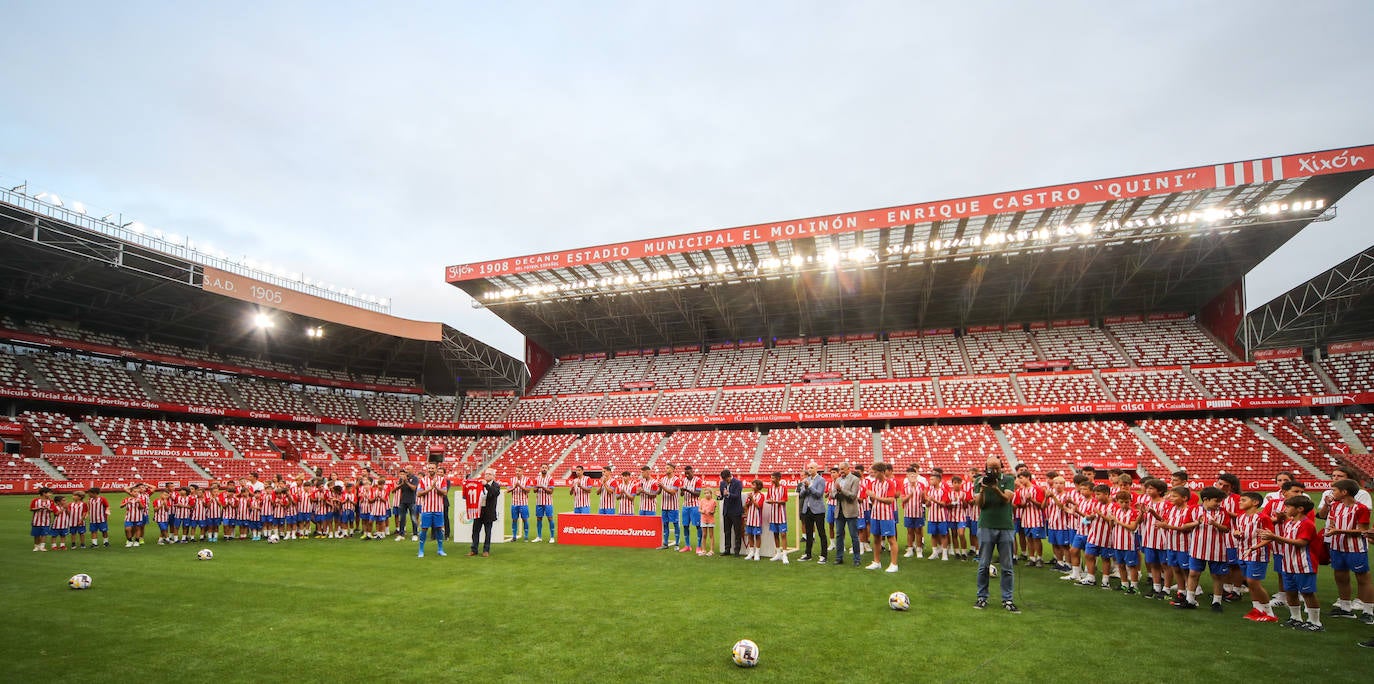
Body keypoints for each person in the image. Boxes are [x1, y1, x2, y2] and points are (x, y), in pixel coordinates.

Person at [1259, 495, 1323, 631]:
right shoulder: (1290, 523)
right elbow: (1286, 540)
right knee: (1290, 591)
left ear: (1300, 509)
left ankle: (1315, 622)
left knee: (1307, 593)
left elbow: (1302, 542)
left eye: (1288, 507)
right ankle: (1296, 618)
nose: (1285, 509)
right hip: (1288, 563)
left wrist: (1274, 537)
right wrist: (1270, 536)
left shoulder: (1307, 524)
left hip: (1303, 564)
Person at [1323, 479, 1373, 624]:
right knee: (1340, 576)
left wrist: (1337, 530)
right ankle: (1345, 609)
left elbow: (1362, 531)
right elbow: (1332, 523)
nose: (1332, 493)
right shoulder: (1335, 506)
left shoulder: (1361, 508)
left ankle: (1369, 611)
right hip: (1337, 547)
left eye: (1334, 490)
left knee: (1363, 578)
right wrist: (1331, 529)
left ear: (1344, 492)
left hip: (1355, 548)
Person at [973, 456, 1018, 613]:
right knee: (983, 564)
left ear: (1002, 467)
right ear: (986, 467)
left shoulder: (1008, 479)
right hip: (986, 525)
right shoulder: (980, 480)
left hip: (1005, 526)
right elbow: (979, 504)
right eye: (991, 468)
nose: (994, 471)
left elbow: (1007, 499)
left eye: (996, 467)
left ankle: (1007, 599)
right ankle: (982, 597)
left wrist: (996, 488)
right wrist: (984, 489)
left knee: (1007, 566)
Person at [1231, 491, 1279, 622]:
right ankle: (1257, 609)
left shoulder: (1262, 518)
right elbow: (1239, 532)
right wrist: (1236, 534)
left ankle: (1270, 612)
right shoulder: (1240, 517)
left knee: (1253, 582)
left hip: (1257, 554)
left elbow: (1270, 537)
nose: (1240, 502)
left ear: (1255, 502)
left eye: (1243, 500)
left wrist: (1255, 547)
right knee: (1250, 583)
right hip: (1242, 553)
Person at [866, 463, 899, 573]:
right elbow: (871, 497)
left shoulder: (889, 483)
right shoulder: (873, 483)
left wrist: (875, 497)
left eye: (875, 472)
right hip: (875, 514)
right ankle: (876, 562)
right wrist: (871, 496)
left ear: (881, 472)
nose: (873, 474)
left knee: (891, 539)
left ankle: (894, 564)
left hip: (886, 515)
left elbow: (890, 500)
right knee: (876, 538)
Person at [797, 460, 828, 563]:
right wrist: (805, 487)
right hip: (807, 509)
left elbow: (819, 494)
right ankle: (808, 554)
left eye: (812, 468)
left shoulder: (821, 480)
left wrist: (809, 486)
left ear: (816, 469)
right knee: (809, 533)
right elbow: (801, 494)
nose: (809, 470)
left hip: (818, 510)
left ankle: (824, 555)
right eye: (809, 468)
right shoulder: (806, 479)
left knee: (821, 533)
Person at [832, 461, 861, 567]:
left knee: (854, 536)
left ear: (848, 469)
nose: (841, 471)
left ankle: (857, 558)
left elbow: (853, 496)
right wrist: (836, 493)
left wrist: (841, 490)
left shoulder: (855, 479)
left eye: (843, 469)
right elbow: (833, 493)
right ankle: (839, 557)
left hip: (850, 511)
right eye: (840, 469)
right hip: (839, 510)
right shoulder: (838, 479)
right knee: (839, 535)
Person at [416, 463, 448, 558]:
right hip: (426, 509)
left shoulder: (442, 480)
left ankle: (440, 549)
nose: (430, 469)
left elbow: (445, 492)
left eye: (432, 468)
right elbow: (418, 493)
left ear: (436, 469)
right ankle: (421, 550)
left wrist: (436, 487)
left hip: (438, 509)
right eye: (429, 468)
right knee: (424, 529)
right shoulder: (423, 480)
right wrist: (430, 489)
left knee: (439, 529)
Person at [469, 468, 501, 557]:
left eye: (489, 474)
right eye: (486, 474)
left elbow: (493, 493)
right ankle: (474, 549)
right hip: (479, 511)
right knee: (475, 531)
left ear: (493, 476)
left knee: (488, 532)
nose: (487, 475)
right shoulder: (479, 484)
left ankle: (486, 550)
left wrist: (486, 485)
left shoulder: (496, 485)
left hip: (489, 512)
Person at [899, 465, 926, 559]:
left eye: (914, 475)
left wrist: (924, 497)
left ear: (917, 475)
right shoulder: (905, 486)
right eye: (910, 475)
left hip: (918, 512)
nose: (912, 477)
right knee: (909, 531)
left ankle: (919, 550)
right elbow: (902, 499)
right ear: (907, 476)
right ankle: (910, 549)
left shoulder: (921, 486)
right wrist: (909, 495)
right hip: (908, 512)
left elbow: (924, 500)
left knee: (918, 531)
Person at [764, 471, 791, 564]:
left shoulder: (783, 488)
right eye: (771, 478)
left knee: (783, 534)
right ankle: (778, 553)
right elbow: (767, 499)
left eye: (773, 478)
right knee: (775, 534)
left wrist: (774, 501)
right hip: (773, 515)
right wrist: (769, 501)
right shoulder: (770, 488)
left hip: (781, 515)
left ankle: (785, 555)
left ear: (779, 478)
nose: (771, 480)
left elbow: (784, 500)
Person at [718, 469, 744, 557]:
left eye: (726, 479)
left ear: (730, 476)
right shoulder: (722, 483)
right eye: (724, 480)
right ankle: (727, 549)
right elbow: (722, 496)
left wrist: (728, 494)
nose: (725, 481)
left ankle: (737, 551)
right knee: (727, 531)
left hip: (736, 511)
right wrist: (719, 496)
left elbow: (737, 495)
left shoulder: (738, 483)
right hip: (726, 511)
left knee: (737, 532)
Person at [658, 463, 682, 549]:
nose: (666, 469)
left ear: (672, 469)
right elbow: (658, 492)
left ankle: (677, 544)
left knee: (675, 524)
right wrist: (659, 488)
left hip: (673, 507)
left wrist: (662, 486)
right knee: (665, 524)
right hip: (664, 506)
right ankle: (665, 544)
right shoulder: (663, 479)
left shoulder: (676, 480)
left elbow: (673, 492)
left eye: (668, 468)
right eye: (665, 468)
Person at [679, 465, 702, 554]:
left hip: (695, 506)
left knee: (698, 526)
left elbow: (698, 494)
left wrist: (687, 490)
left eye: (688, 473)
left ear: (692, 472)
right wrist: (682, 491)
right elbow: (681, 494)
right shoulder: (684, 480)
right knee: (685, 525)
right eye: (685, 473)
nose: (687, 475)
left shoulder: (698, 480)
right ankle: (687, 546)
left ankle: (699, 546)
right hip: (685, 506)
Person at [394, 466, 419, 542]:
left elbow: (414, 488)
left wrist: (407, 482)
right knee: (402, 518)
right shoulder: (402, 478)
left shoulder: (415, 478)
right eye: (406, 469)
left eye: (408, 469)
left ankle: (415, 534)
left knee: (413, 518)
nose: (406, 471)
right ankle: (401, 534)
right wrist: (402, 482)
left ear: (412, 470)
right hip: (403, 501)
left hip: (411, 501)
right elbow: (396, 488)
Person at [533, 463, 556, 543]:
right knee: (539, 518)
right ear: (540, 469)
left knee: (550, 518)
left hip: (548, 502)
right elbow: (534, 490)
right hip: (539, 502)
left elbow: (551, 491)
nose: (544, 469)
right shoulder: (537, 478)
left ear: (548, 469)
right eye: (542, 467)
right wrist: (537, 487)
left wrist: (542, 487)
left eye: (545, 468)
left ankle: (552, 537)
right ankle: (539, 537)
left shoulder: (550, 479)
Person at [743, 479, 765, 561]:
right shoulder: (750, 494)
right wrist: (748, 502)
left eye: (754, 485)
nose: (752, 487)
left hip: (757, 519)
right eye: (752, 485)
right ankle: (751, 552)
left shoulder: (761, 496)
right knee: (750, 535)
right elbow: (745, 506)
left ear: (758, 486)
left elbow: (758, 506)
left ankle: (757, 553)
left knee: (757, 536)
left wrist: (752, 499)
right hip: (750, 519)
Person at [507, 466, 531, 540]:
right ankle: (514, 536)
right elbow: (508, 490)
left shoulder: (527, 479)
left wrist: (520, 486)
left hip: (523, 503)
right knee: (514, 519)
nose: (517, 472)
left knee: (525, 519)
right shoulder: (511, 480)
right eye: (516, 471)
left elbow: (528, 490)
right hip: (514, 503)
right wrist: (514, 487)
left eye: (519, 471)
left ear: (522, 472)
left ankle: (526, 535)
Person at [29, 487, 53, 552]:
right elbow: (31, 509)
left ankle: (42, 546)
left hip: (46, 521)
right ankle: (36, 546)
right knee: (36, 535)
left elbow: (52, 510)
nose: (50, 494)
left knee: (44, 534)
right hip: (36, 521)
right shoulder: (35, 500)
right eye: (49, 493)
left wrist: (48, 509)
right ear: (44, 493)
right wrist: (38, 508)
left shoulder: (50, 501)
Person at [698, 485, 717, 556]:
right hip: (703, 519)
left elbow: (714, 511)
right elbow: (699, 509)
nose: (706, 494)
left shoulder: (713, 501)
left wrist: (711, 512)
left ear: (711, 494)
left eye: (708, 493)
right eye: (705, 493)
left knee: (711, 535)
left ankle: (711, 550)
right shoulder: (702, 500)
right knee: (704, 535)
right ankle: (703, 550)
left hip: (711, 520)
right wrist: (702, 511)